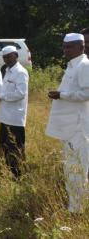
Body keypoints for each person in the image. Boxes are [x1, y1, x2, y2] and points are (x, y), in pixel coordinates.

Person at [46, 33, 89, 213]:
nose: (65, 50)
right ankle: (75, 206)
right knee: (70, 168)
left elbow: (87, 93)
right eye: (64, 47)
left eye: (70, 46)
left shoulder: (84, 65)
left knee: (77, 170)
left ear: (81, 47)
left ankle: (76, 211)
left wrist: (61, 95)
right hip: (69, 127)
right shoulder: (73, 66)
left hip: (78, 128)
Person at [0, 46, 29, 177]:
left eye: (9, 56)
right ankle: (5, 172)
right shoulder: (7, 71)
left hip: (15, 118)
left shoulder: (20, 72)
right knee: (3, 147)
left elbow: (20, 93)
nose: (6, 59)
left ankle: (18, 175)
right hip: (5, 116)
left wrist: (1, 96)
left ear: (16, 56)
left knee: (15, 148)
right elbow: (5, 91)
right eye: (4, 57)